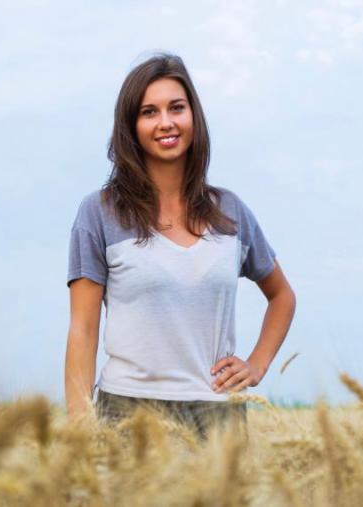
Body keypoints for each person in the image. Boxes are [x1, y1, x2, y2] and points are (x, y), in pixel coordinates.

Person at [64, 52, 296, 442]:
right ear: (131, 126)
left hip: (218, 416)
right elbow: (83, 329)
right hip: (128, 415)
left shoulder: (232, 212)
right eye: (148, 112)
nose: (166, 122)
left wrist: (256, 365)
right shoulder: (99, 212)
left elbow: (282, 296)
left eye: (177, 108)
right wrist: (78, 428)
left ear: (194, 117)